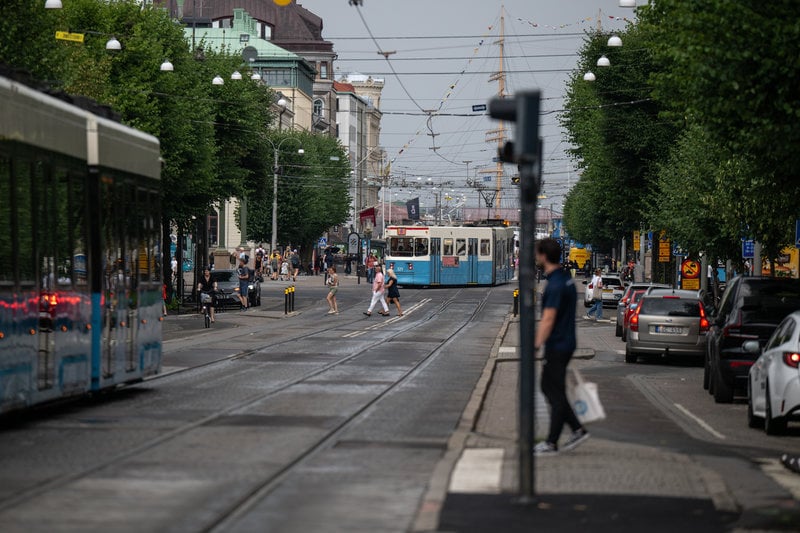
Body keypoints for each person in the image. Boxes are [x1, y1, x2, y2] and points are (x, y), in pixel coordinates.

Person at [533, 238, 589, 456]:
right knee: (549, 387)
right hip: (566, 341)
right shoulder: (566, 279)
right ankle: (577, 428)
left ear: (544, 256)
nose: (537, 258)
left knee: (554, 392)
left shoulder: (555, 285)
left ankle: (552, 441)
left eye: (538, 254)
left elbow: (548, 318)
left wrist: (536, 344)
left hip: (557, 344)